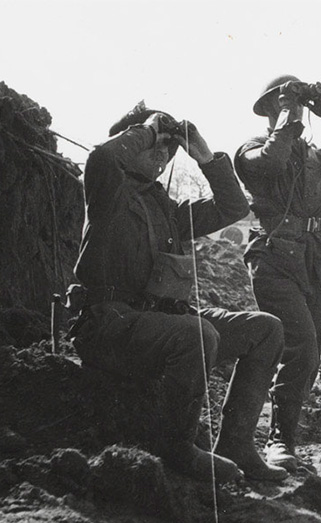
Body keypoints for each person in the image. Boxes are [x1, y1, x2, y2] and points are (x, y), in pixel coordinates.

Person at [71, 102, 288, 483]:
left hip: (156, 324)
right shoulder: (107, 188)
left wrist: (204, 155)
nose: (161, 158)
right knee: (196, 333)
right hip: (108, 326)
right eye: (153, 148)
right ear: (131, 142)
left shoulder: (166, 207)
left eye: (168, 153)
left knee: (265, 329)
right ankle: (176, 448)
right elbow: (104, 155)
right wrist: (152, 128)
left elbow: (233, 207)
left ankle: (236, 444)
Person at [235, 75, 321, 472]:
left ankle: (284, 438)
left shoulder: (316, 157)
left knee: (309, 358)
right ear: (270, 109)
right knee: (301, 348)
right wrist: (289, 116)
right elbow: (273, 160)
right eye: (282, 104)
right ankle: (278, 442)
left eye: (294, 105)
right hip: (273, 261)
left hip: (312, 260)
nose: (292, 111)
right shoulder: (252, 150)